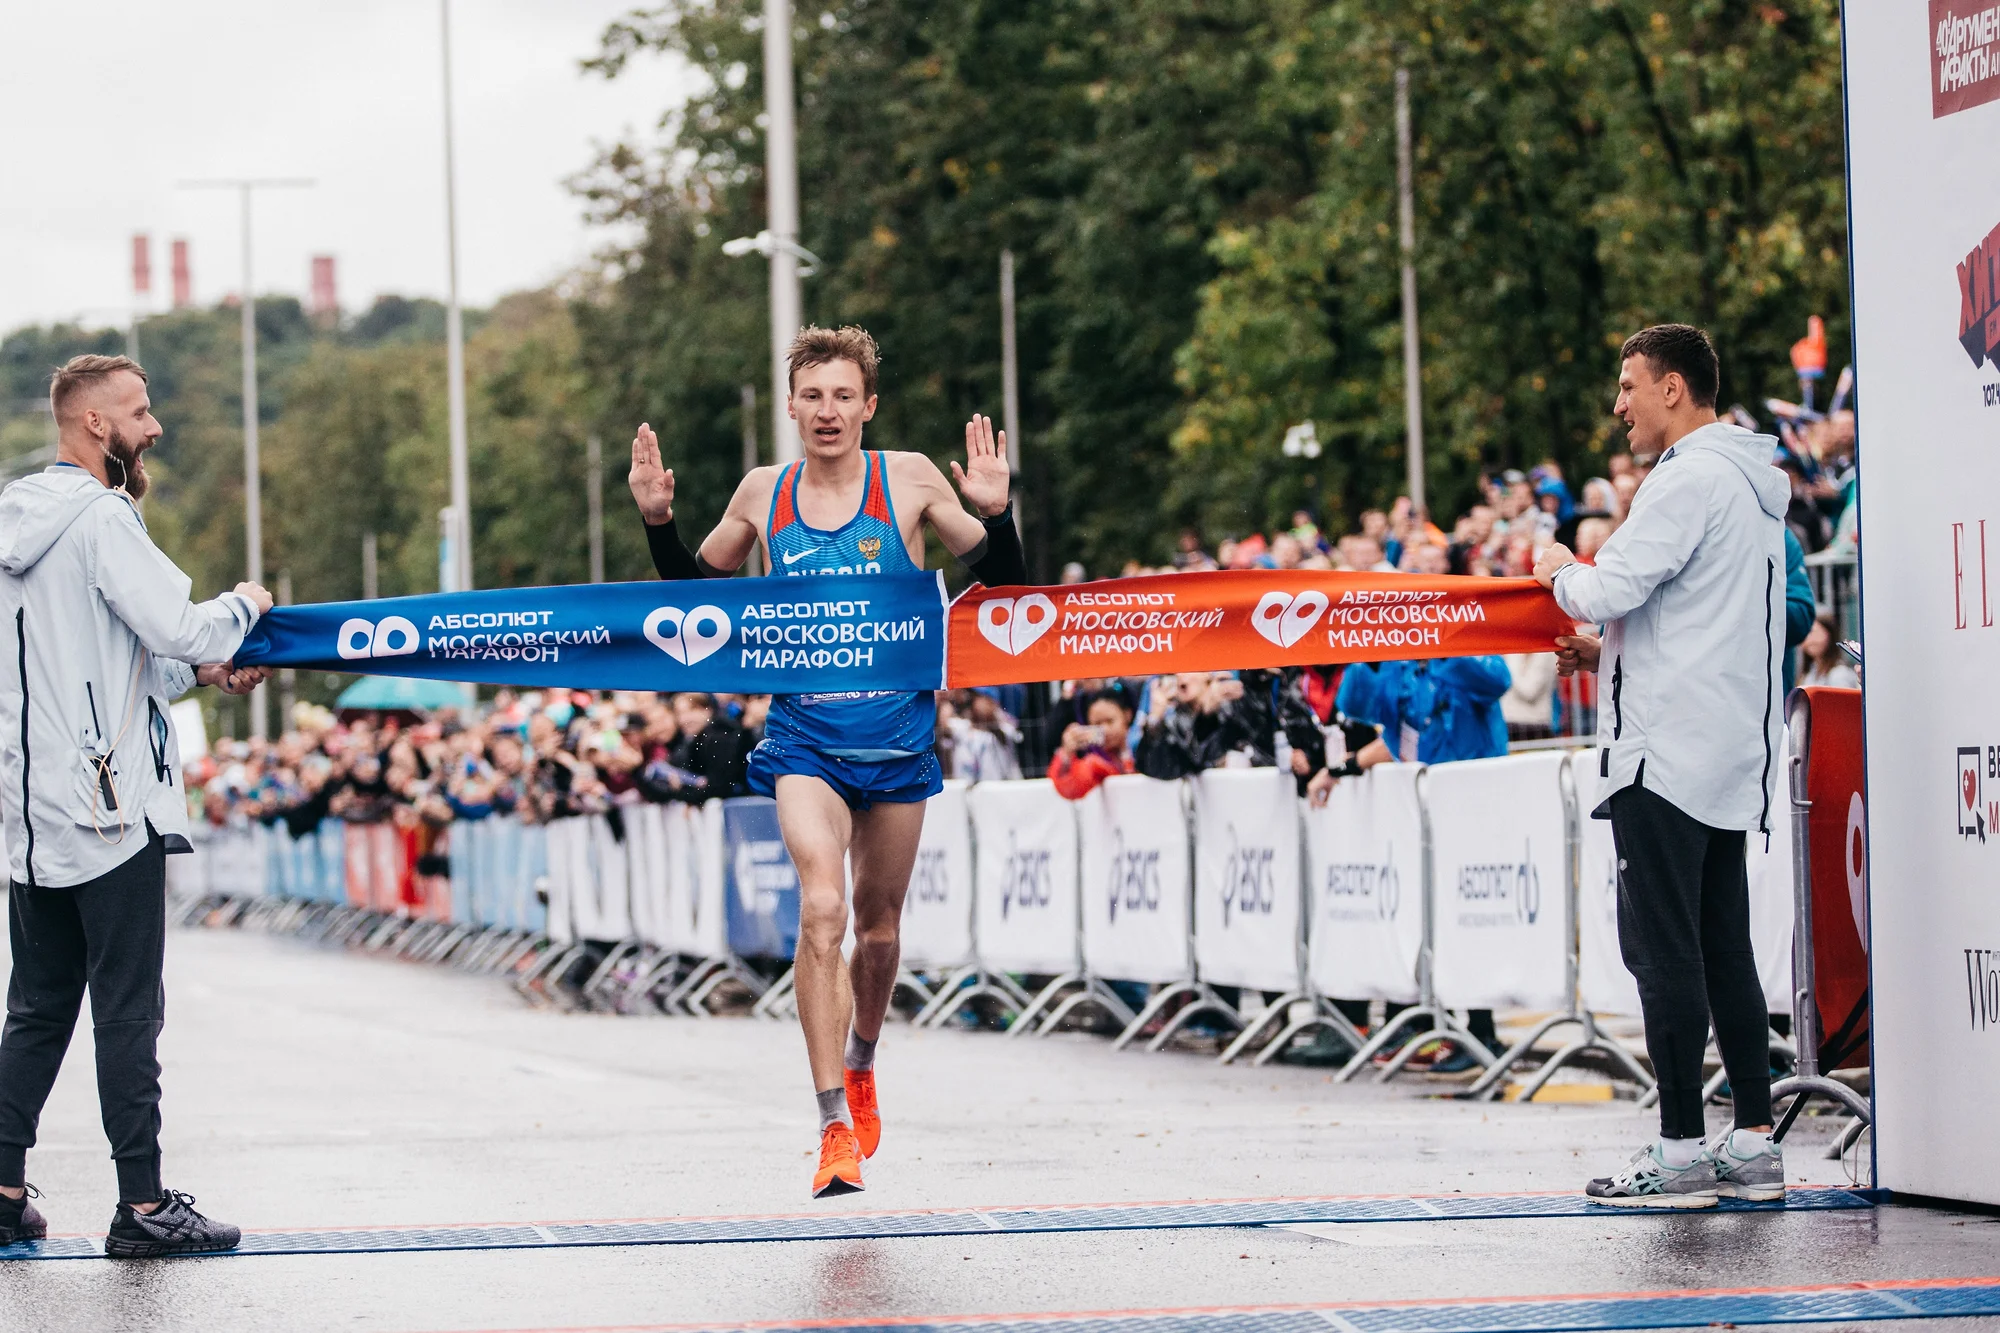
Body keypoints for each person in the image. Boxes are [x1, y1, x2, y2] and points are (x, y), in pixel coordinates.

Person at [629, 325, 1024, 1198]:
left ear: (868, 405)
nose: (828, 410)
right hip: (805, 742)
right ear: (793, 405)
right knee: (822, 909)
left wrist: (996, 512)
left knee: (877, 932)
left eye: (844, 395)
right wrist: (660, 522)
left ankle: (864, 1059)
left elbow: (1005, 584)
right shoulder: (764, 493)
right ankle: (830, 1125)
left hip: (899, 746)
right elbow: (697, 605)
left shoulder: (911, 478)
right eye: (813, 395)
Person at [0, 355, 271, 1255]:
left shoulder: (16, 525)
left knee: (37, 1008)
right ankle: (145, 1205)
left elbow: (129, 666)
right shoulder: (103, 520)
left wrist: (198, 670)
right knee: (127, 1007)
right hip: (113, 808)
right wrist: (244, 608)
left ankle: (1, 1188)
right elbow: (184, 625)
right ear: (94, 427)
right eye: (139, 412)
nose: (152, 428)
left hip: (31, 809)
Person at [1536, 323, 1787, 1209]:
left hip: (1663, 757)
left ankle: (1680, 1149)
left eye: (1629, 384)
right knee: (1723, 948)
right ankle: (1753, 1143)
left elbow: (1607, 585)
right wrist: (1605, 654)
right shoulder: (1752, 485)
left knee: (1665, 952)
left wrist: (1559, 565)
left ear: (1674, 387)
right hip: (1725, 749)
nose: (1620, 404)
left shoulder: (1686, 480)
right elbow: (1694, 629)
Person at [1048, 692, 1135, 799]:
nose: (1105, 730)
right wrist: (1067, 753)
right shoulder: (1098, 764)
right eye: (1097, 724)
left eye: (1110, 721)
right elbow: (1071, 789)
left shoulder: (1143, 746)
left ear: (1127, 715)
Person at [1798, 610, 1859, 689]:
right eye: (1805, 634)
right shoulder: (1809, 673)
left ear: (1829, 634)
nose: (1808, 639)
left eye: (1813, 632)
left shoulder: (1839, 674)